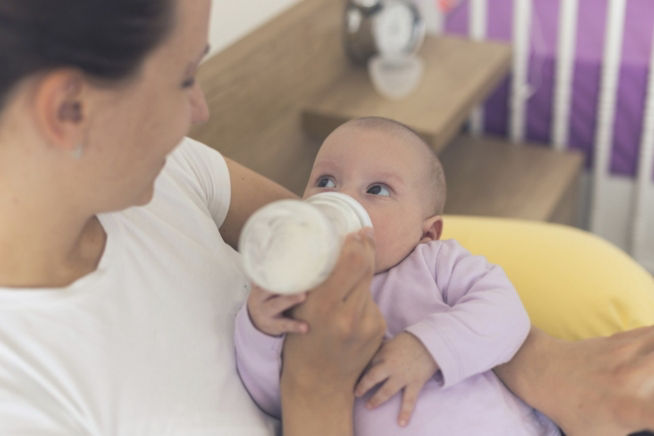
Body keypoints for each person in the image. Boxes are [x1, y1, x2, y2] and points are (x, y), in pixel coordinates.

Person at [0, 0, 653, 435]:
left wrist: (538, 362)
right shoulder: (26, 393)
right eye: (184, 79)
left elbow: (328, 231)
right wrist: (305, 375)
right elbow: (265, 379)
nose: (202, 112)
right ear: (70, 111)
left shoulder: (169, 170)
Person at [235, 117, 560, 435]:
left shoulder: (435, 262)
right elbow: (275, 400)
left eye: (376, 189)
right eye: (326, 182)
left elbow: (505, 314)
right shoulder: (298, 286)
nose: (341, 199)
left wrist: (428, 347)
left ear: (427, 233)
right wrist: (260, 328)